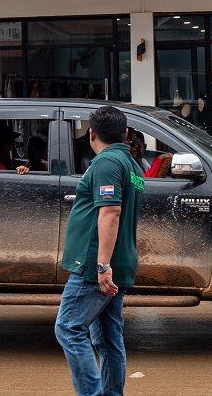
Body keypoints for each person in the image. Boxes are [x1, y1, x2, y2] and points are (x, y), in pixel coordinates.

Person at [55, 106, 144, 396]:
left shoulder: (106, 163)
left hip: (94, 265)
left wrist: (102, 265)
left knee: (68, 328)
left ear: (91, 134)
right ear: (126, 133)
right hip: (116, 263)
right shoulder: (132, 165)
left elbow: (110, 213)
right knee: (108, 338)